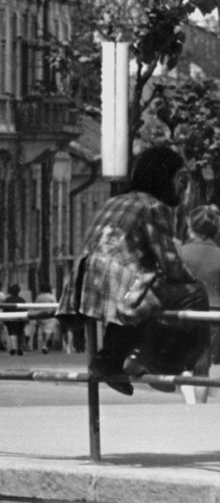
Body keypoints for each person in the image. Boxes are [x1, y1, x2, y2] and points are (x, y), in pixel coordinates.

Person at [58, 145, 209, 396]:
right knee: (193, 292)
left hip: (84, 285)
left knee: (145, 287)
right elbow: (171, 264)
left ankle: (112, 357)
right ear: (164, 178)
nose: (184, 189)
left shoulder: (115, 201)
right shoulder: (153, 208)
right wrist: (192, 281)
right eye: (181, 180)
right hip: (119, 286)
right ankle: (166, 362)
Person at [178, 204, 220, 403]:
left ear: (190, 226)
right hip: (213, 315)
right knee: (203, 366)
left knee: (184, 363)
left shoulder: (181, 253)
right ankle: (200, 406)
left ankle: (191, 404)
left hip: (184, 312)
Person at [34, 284, 59, 354]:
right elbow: (55, 306)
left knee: (43, 331)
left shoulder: (39, 297)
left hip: (41, 315)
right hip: (49, 315)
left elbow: (35, 306)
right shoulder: (51, 296)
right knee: (49, 331)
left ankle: (45, 345)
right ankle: (45, 345)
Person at [4, 284, 26, 356]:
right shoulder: (22, 300)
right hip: (20, 318)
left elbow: (5, 310)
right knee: (20, 333)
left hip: (10, 318)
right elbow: (25, 310)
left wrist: (5, 319)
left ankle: (13, 347)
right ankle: (20, 348)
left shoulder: (7, 300)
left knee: (12, 333)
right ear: (18, 291)